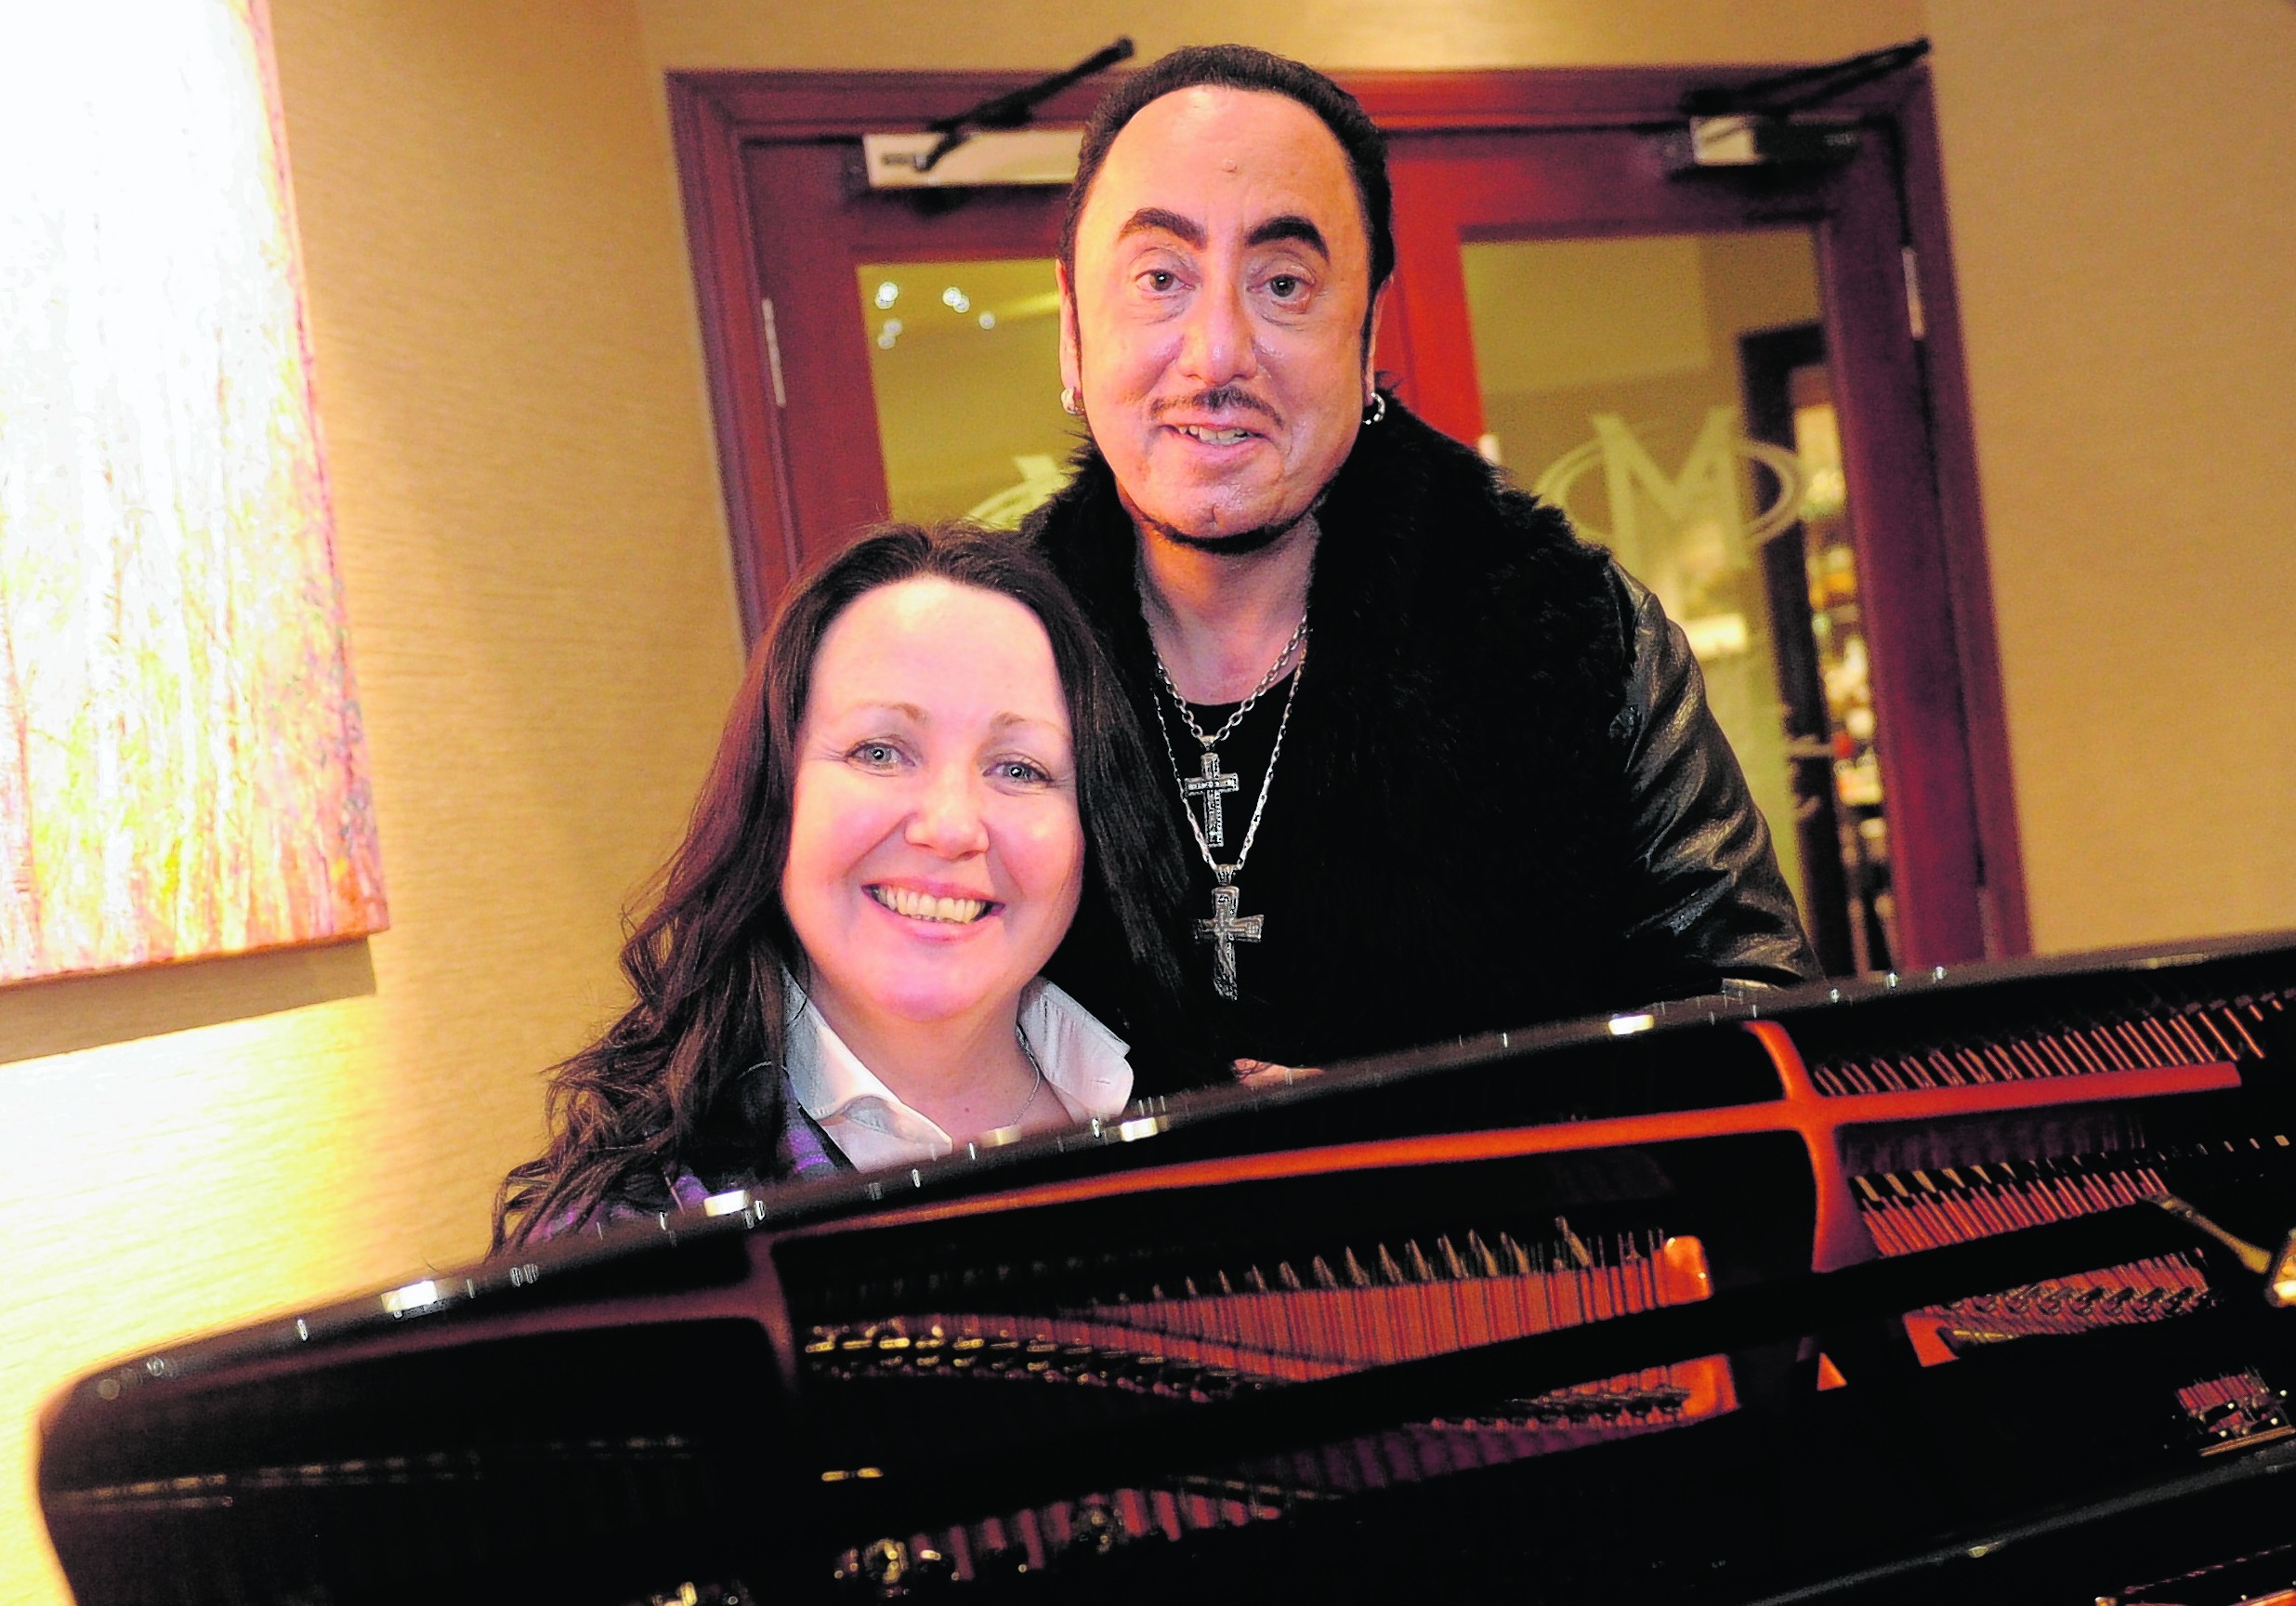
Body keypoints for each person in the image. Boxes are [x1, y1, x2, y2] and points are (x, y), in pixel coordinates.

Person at [1029, 45, 1818, 1072]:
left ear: (1366, 338)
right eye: (1158, 278)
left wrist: (1433, 1127)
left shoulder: (1567, 636)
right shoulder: (982, 662)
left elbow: (1764, 1026)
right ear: (1071, 333)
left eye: (1281, 282)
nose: (1215, 353)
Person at [494, 524, 1191, 1248]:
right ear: (777, 798)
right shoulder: (632, 1236)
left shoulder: (1192, 1113)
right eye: (880, 751)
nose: (951, 826)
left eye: (1019, 768)